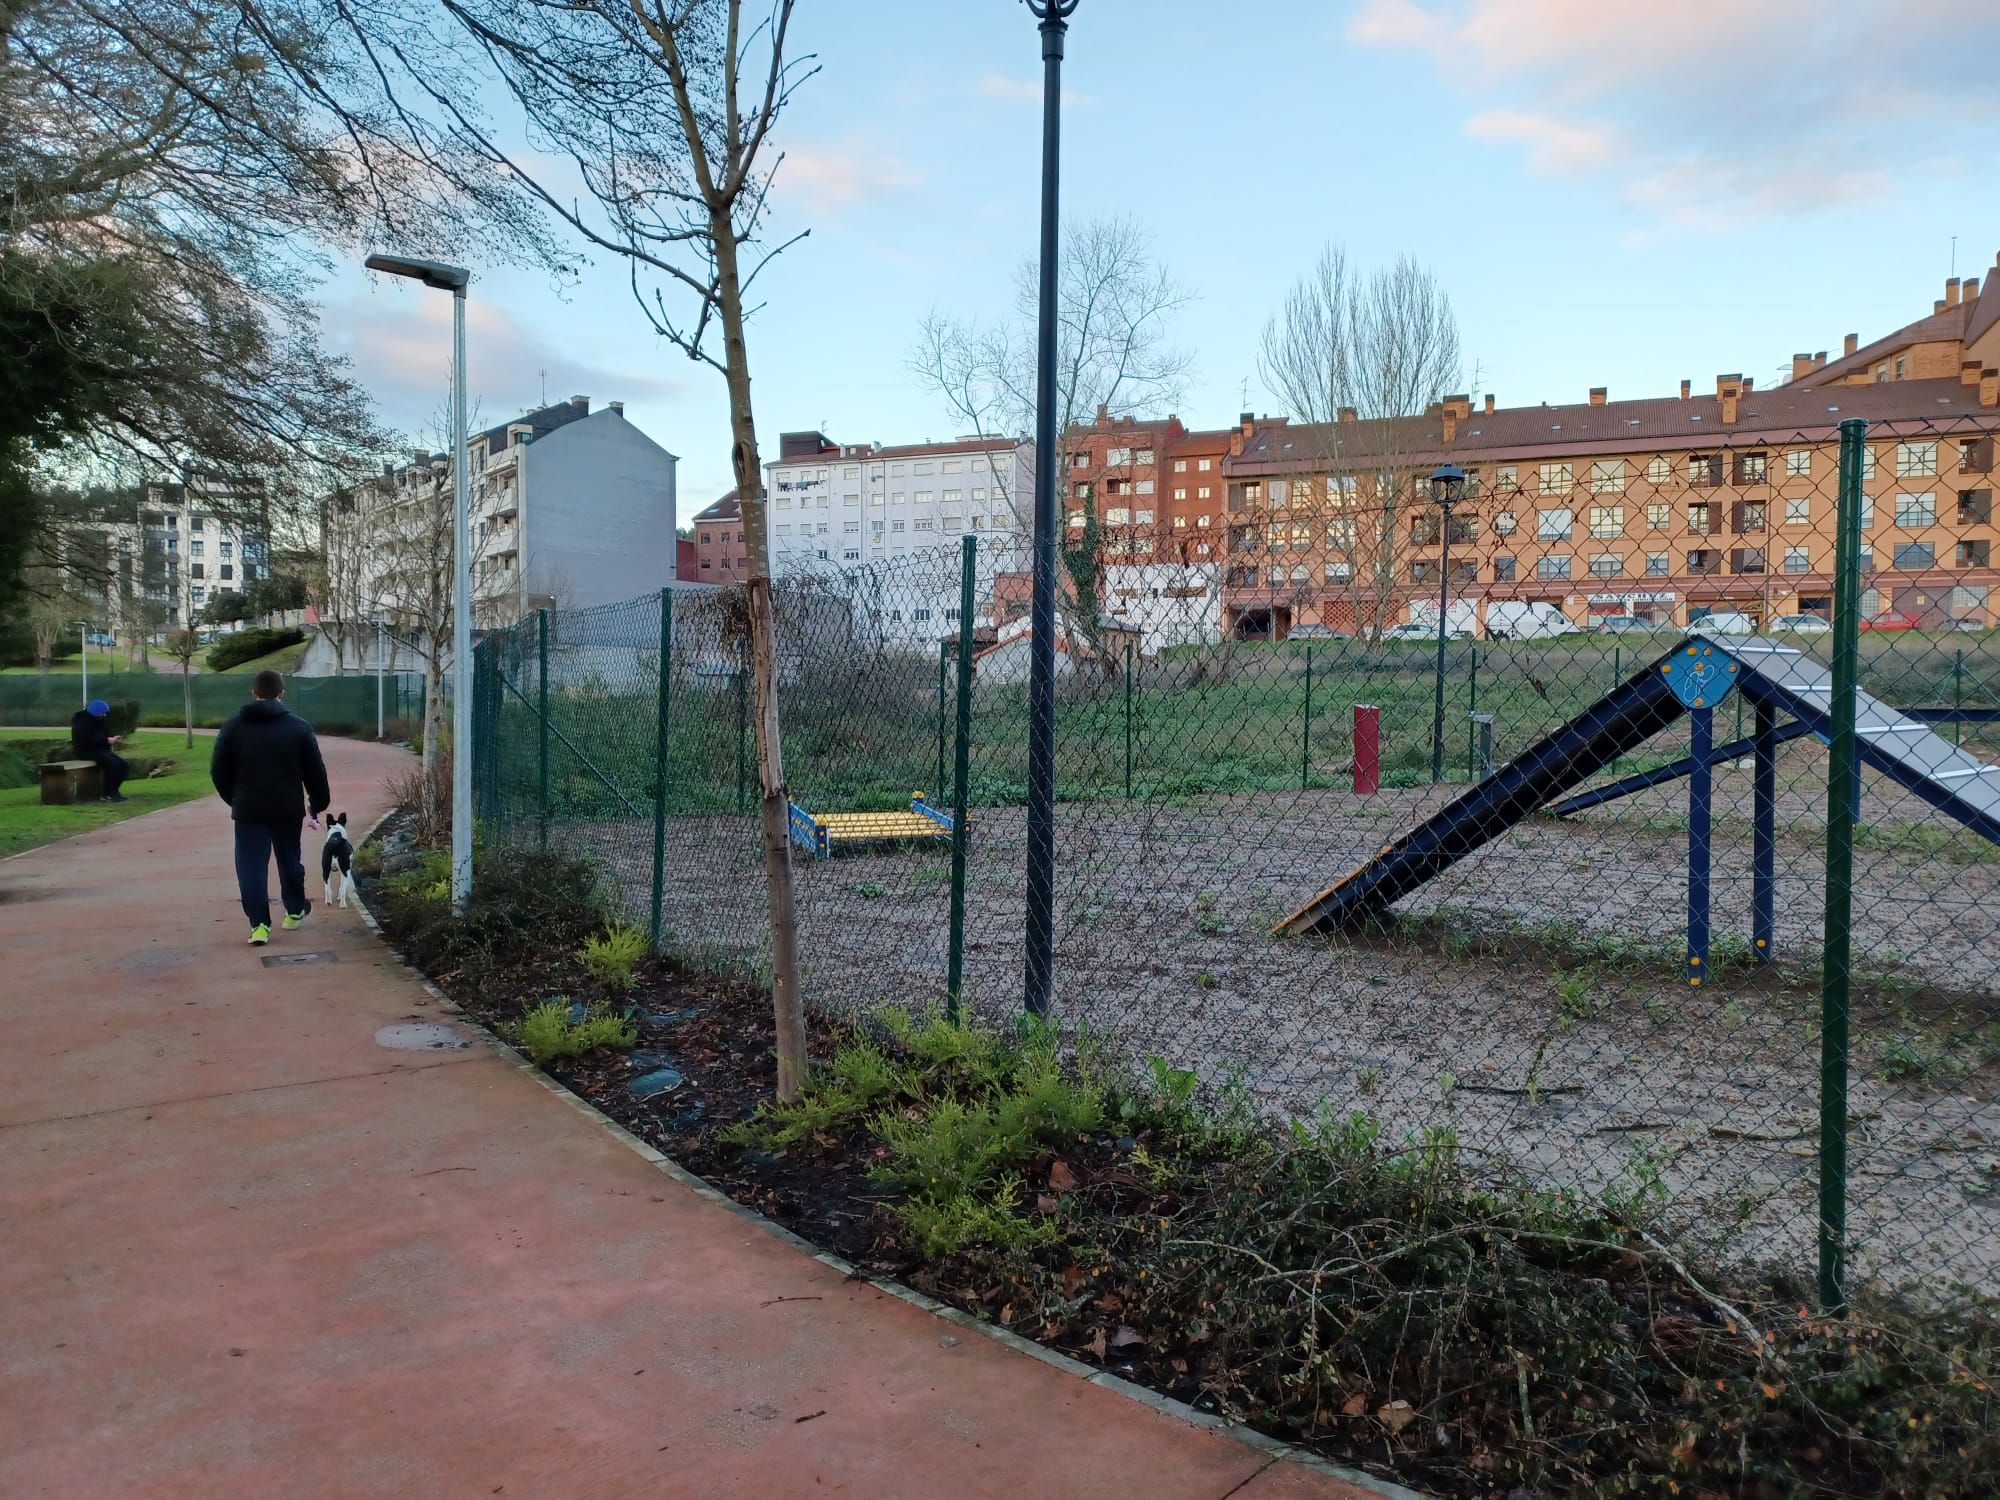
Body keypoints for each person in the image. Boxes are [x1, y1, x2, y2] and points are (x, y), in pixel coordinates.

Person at [210, 669, 331, 947]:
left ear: (253, 693)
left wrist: (234, 798)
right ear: (281, 693)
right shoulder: (299, 727)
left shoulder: (233, 727)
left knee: (250, 867)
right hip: (287, 808)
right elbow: (316, 771)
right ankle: (293, 910)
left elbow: (218, 770)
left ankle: (259, 925)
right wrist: (317, 804)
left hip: (248, 809)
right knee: (289, 860)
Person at [69, 699, 129, 802]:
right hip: (86, 751)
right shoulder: (81, 721)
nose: (104, 716)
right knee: (112, 765)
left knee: (123, 765)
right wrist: (106, 741)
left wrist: (112, 739)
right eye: (102, 713)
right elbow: (86, 740)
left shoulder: (98, 720)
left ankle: (114, 791)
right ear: (95, 712)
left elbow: (101, 736)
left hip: (100, 750)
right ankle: (107, 793)